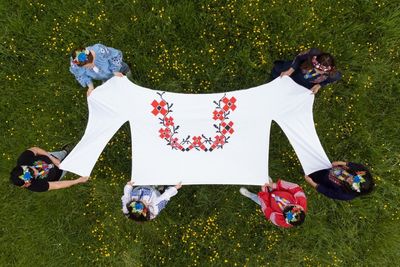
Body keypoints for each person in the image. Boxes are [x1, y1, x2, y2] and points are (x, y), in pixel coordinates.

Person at [10, 146, 89, 192]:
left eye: (31, 170)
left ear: (23, 166)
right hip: (59, 172)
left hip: (51, 157)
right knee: (74, 161)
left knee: (62, 153)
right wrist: (78, 181)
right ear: (25, 184)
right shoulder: (35, 186)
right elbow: (57, 185)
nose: (36, 172)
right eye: (33, 176)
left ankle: (65, 152)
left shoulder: (23, 159)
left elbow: (35, 149)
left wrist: (52, 158)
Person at [240, 179, 307, 228]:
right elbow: (294, 187)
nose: (286, 206)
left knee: (258, 199)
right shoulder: (301, 200)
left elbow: (266, 209)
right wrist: (274, 185)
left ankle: (250, 195)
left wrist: (264, 193)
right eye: (290, 205)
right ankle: (269, 182)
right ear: (300, 207)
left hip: (268, 201)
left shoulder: (279, 220)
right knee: (268, 183)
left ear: (286, 218)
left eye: (285, 209)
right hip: (278, 190)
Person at [271, 48, 342, 94]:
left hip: (306, 83)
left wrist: (319, 85)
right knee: (280, 72)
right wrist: (291, 70)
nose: (316, 72)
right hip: (297, 70)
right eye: (315, 68)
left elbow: (327, 82)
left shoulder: (334, 75)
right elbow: (298, 58)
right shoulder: (311, 54)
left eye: (320, 71)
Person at [304, 161, 374, 201]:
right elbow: (359, 167)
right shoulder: (361, 173)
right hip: (328, 166)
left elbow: (328, 192)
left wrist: (312, 183)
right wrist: (342, 163)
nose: (350, 179)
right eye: (353, 177)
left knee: (306, 166)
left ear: (354, 189)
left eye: (352, 183)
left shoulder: (346, 195)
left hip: (319, 177)